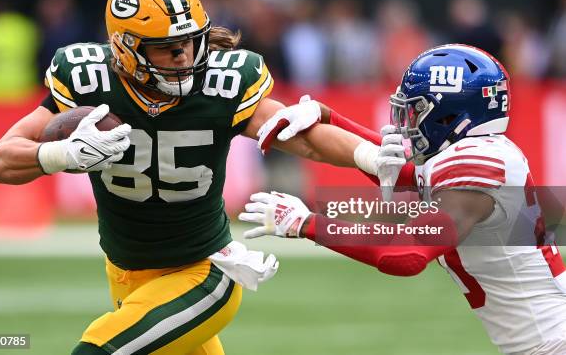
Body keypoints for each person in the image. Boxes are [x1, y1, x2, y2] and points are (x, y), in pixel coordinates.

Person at [0, 0, 364, 355]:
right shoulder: (88, 81)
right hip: (126, 274)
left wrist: (377, 158)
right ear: (126, 48)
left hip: (203, 273)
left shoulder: (222, 84)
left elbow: (310, 141)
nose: (184, 56)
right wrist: (64, 153)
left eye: (190, 42)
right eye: (167, 47)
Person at [242, 44, 566, 354]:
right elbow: (406, 175)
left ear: (451, 114)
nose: (406, 121)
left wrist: (306, 223)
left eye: (416, 109)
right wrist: (326, 115)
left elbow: (405, 254)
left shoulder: (476, 168)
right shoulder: (480, 153)